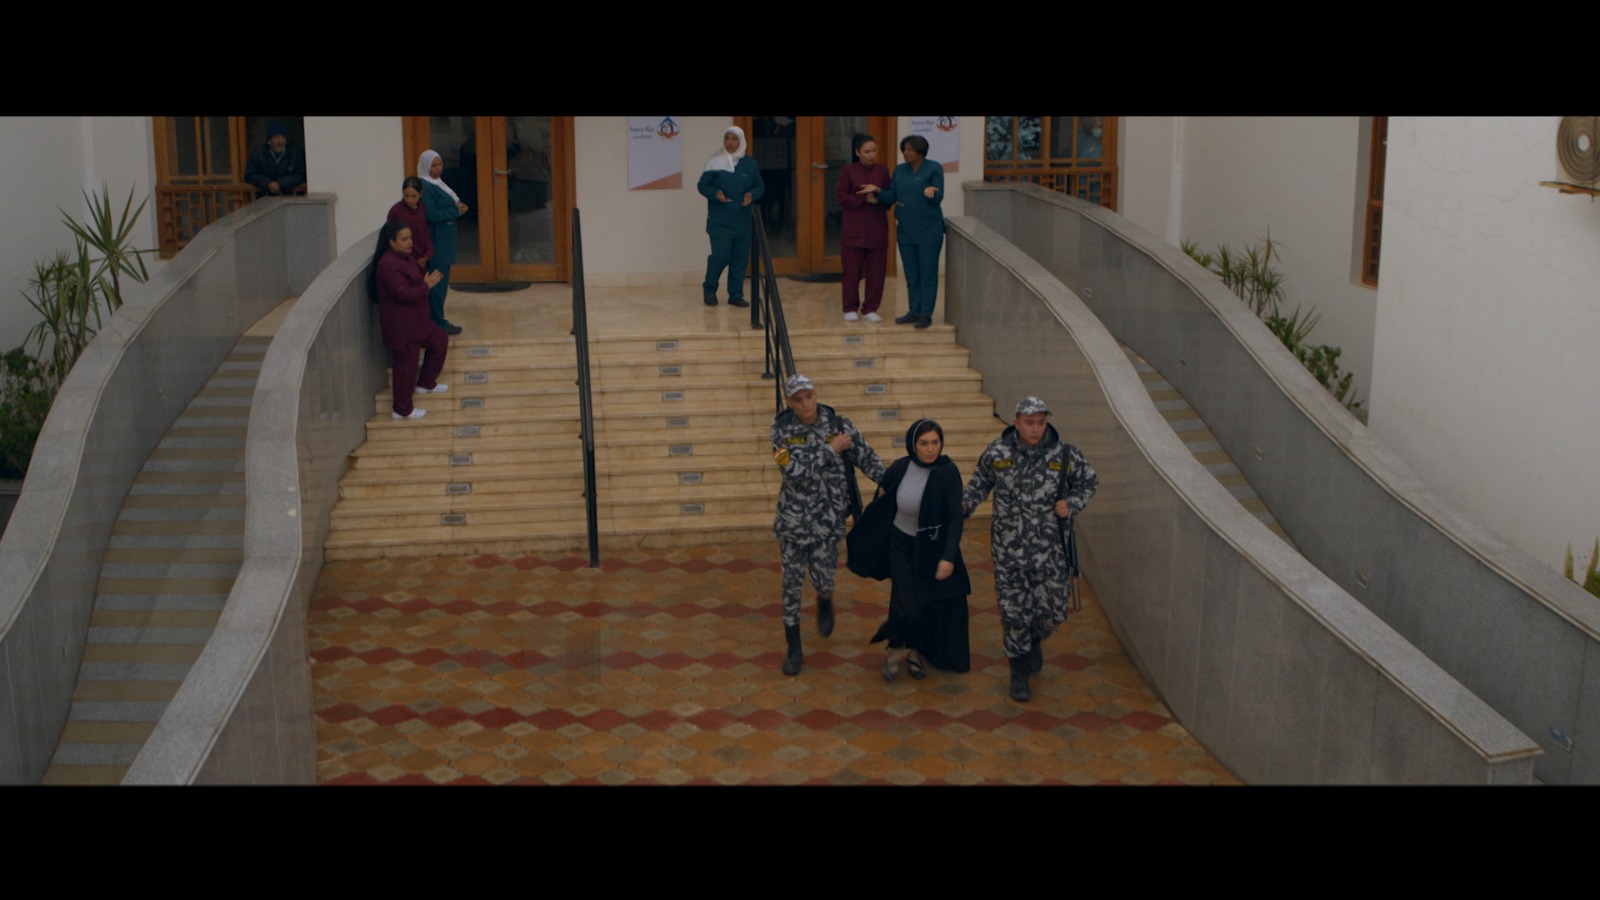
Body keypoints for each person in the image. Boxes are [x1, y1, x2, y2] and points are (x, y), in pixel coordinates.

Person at [961, 396, 1097, 702]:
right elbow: (979, 483)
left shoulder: (1064, 455)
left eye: (1040, 423)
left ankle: (1034, 639)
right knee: (1014, 614)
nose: (1035, 429)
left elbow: (1089, 482)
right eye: (1029, 423)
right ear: (1016, 423)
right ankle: (1018, 671)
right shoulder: (998, 453)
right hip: (1009, 552)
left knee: (1054, 610)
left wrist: (1071, 503)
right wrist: (965, 505)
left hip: (1051, 552)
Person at [770, 373, 886, 675]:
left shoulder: (838, 425)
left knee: (824, 579)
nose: (805, 404)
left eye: (809, 396)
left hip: (828, 520)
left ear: (816, 394)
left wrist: (891, 483)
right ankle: (794, 647)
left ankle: (824, 598)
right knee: (791, 586)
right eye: (798, 400)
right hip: (793, 522)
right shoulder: (780, 431)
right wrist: (830, 450)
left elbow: (867, 458)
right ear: (789, 402)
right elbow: (793, 472)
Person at [847, 419, 971, 681]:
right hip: (900, 543)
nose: (930, 449)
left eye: (935, 442)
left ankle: (913, 651)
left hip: (931, 547)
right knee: (906, 603)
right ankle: (896, 650)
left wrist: (948, 557)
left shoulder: (948, 472)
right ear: (913, 444)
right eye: (924, 443)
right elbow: (883, 496)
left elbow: (954, 518)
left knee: (923, 601)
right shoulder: (901, 467)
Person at [856, 134, 943, 329]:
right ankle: (914, 310)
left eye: (910, 150)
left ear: (920, 152)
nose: (905, 153)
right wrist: (877, 191)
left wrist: (932, 193)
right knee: (911, 274)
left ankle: (926, 314)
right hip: (906, 232)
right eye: (904, 149)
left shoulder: (933, 168)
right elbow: (891, 196)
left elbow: (939, 196)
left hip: (929, 232)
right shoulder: (900, 170)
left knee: (927, 274)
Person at [368, 220, 449, 421]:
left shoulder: (406, 257)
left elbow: (413, 281)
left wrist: (424, 279)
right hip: (402, 326)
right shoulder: (388, 264)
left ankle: (425, 382)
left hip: (418, 321)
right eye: (404, 239)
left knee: (439, 340)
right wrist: (426, 285)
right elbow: (402, 293)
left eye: (410, 238)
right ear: (391, 242)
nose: (410, 242)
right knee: (405, 367)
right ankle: (402, 409)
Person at [697, 125, 764, 308]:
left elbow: (760, 186)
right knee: (721, 256)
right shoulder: (714, 162)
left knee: (739, 259)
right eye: (727, 138)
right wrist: (715, 193)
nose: (730, 142)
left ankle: (735, 295)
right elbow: (702, 186)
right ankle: (709, 289)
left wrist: (751, 195)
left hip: (742, 220)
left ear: (741, 141)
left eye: (734, 139)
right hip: (720, 220)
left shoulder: (749, 164)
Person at [835, 133, 892, 323]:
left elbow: (889, 196)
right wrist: (863, 198)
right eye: (867, 151)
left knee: (876, 271)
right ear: (858, 152)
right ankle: (850, 307)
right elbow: (842, 197)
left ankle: (870, 308)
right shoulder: (848, 171)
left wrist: (878, 198)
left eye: (874, 151)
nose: (871, 155)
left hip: (877, 228)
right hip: (854, 229)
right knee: (851, 271)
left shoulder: (882, 171)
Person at [418, 149, 467, 336]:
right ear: (425, 167)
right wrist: (455, 212)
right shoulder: (426, 187)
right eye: (433, 165)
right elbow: (430, 214)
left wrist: (457, 207)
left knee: (442, 281)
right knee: (437, 284)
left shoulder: (437, 183)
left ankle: (437, 320)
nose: (438, 168)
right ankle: (437, 322)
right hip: (437, 242)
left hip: (445, 240)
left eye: (439, 164)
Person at [244, 124, 307, 199]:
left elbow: (302, 174)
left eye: (283, 137)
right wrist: (268, 183)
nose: (280, 141)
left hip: (290, 197)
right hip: (265, 198)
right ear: (269, 141)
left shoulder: (295, 152)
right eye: (276, 137)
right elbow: (250, 174)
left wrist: (281, 183)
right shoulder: (259, 154)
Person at [387, 176, 433, 276]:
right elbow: (391, 238)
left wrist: (427, 255)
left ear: (420, 194)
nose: (409, 200)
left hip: (422, 260)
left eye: (413, 196)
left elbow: (426, 233)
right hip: (404, 260)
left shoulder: (422, 209)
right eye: (406, 196)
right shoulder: (396, 211)